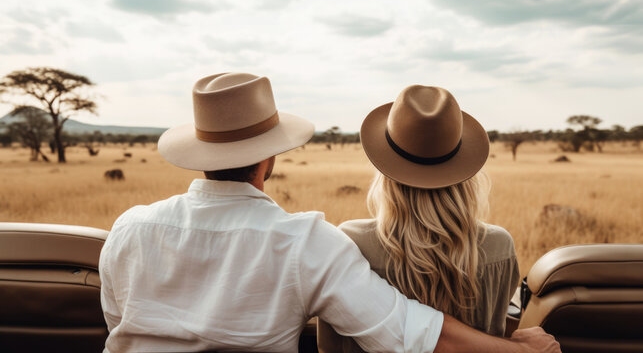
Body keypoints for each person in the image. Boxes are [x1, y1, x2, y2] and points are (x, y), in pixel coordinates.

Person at [98, 73, 560, 353]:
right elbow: (410, 336)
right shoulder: (305, 242)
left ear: (200, 149)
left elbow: (119, 324)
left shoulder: (129, 227)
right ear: (270, 157)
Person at [318, 85, 521, 352]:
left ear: (385, 172)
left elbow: (329, 344)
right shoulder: (499, 245)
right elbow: (501, 331)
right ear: (465, 172)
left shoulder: (351, 241)